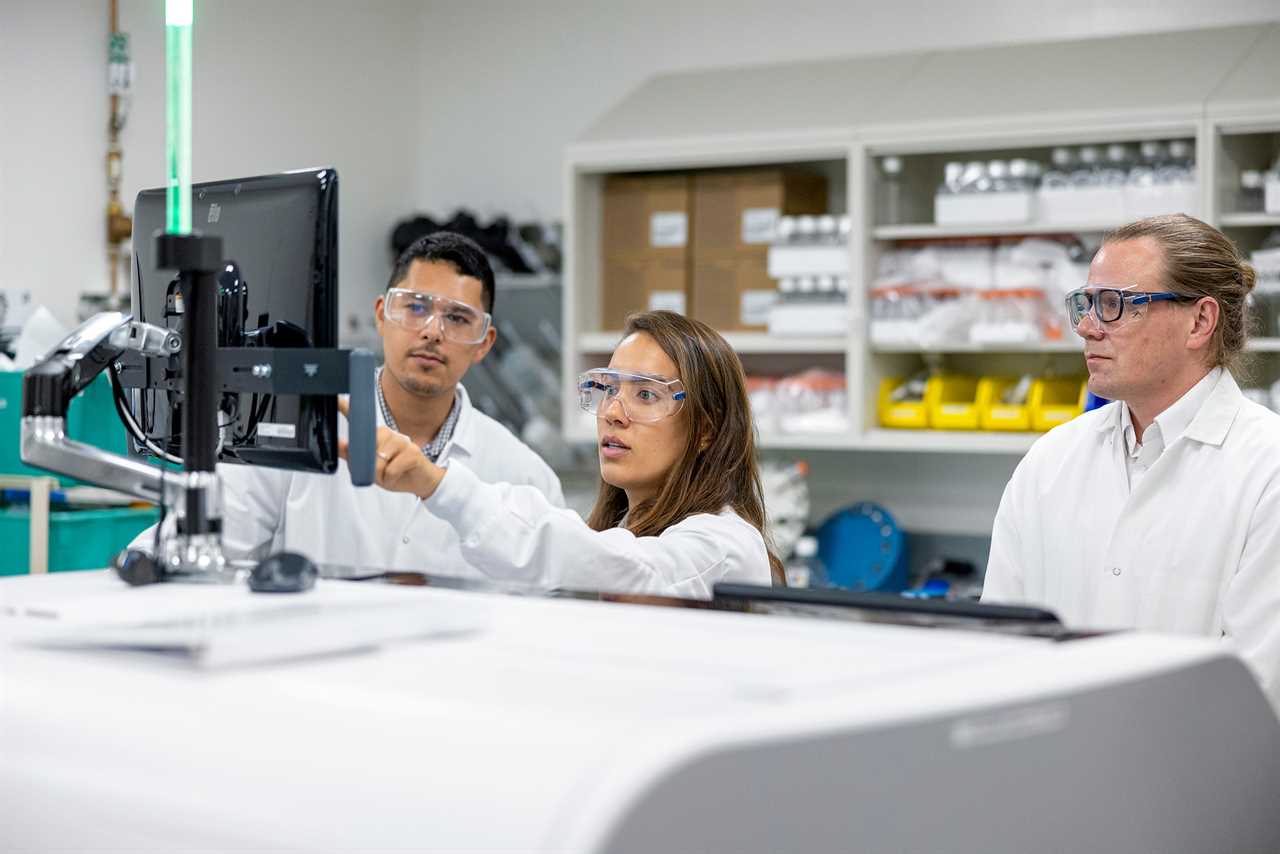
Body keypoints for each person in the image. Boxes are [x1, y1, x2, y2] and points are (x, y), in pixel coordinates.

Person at [133, 232, 563, 576]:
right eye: (415, 307)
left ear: (484, 342)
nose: (433, 331)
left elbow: (551, 610)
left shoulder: (524, 474)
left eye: (457, 318)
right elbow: (197, 545)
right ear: (381, 315)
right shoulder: (291, 429)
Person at [982, 213, 1280, 708]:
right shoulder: (1051, 460)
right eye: (1086, 303)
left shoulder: (1267, 467)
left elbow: (1256, 688)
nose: (1085, 327)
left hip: (1199, 781)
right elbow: (1000, 644)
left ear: (1200, 321)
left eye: (1114, 305)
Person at [340, 310, 782, 597]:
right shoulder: (624, 529)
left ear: (706, 428)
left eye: (646, 395)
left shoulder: (724, 545)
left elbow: (628, 572)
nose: (612, 412)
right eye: (607, 389)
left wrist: (438, 484)